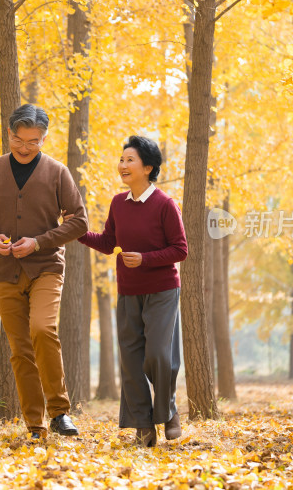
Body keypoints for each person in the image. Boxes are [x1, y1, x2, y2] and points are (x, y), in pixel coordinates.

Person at [0, 103, 88, 439]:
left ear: (44, 138)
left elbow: (79, 220)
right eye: (19, 140)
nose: (25, 147)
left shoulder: (58, 172)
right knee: (20, 349)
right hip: (4, 271)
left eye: (34, 141)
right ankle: (35, 424)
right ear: (9, 134)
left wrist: (39, 242)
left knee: (43, 330)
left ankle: (60, 411)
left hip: (46, 267)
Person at [77, 135, 187, 447]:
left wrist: (146, 259)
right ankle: (143, 425)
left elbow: (181, 249)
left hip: (162, 291)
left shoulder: (165, 205)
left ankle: (168, 411)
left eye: (130, 160)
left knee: (158, 356)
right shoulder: (117, 204)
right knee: (131, 359)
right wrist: (79, 232)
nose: (122, 165)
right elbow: (108, 242)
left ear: (148, 167)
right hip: (128, 292)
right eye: (122, 159)